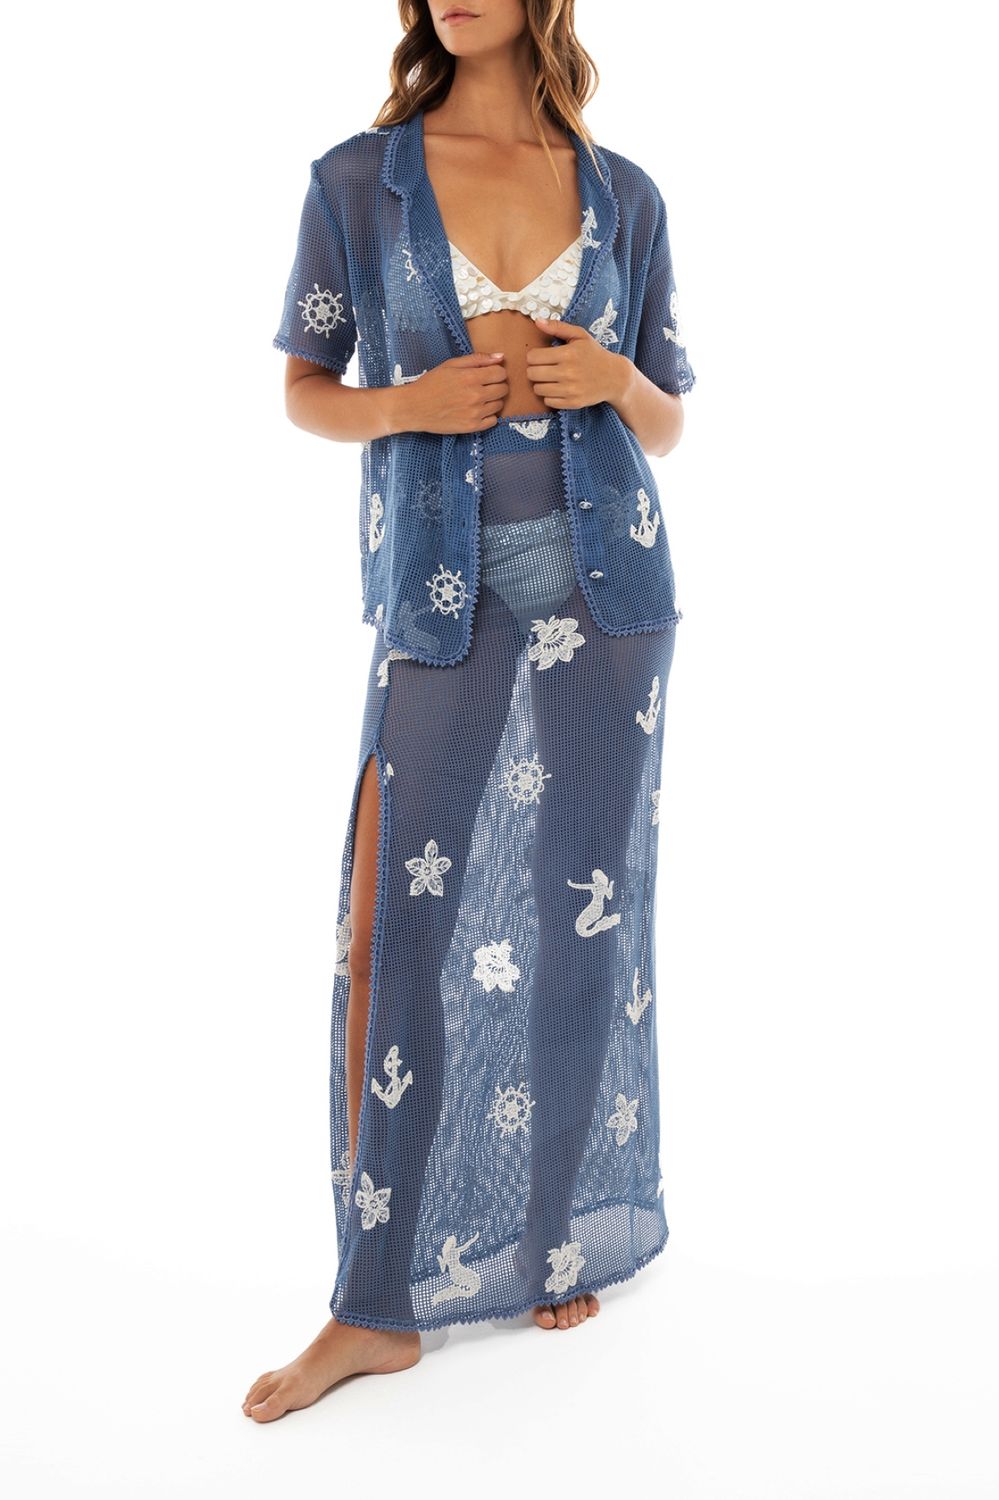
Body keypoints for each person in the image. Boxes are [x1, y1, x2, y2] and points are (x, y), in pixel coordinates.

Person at [244, 0, 695, 1422]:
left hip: (613, 600)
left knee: (582, 919)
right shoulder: (355, 182)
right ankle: (372, 1303)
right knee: (400, 932)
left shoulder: (623, 192)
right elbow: (306, 391)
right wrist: (409, 405)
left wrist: (614, 378)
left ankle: (553, 1236)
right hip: (442, 602)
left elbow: (670, 417)